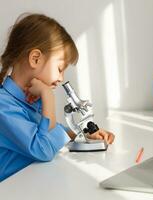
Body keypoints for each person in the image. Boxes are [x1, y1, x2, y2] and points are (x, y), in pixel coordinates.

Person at [0, 13, 115, 182]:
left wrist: (81, 135)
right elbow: (43, 149)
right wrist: (48, 97)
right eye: (60, 68)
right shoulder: (4, 106)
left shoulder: (29, 100)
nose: (61, 78)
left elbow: (52, 130)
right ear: (35, 59)